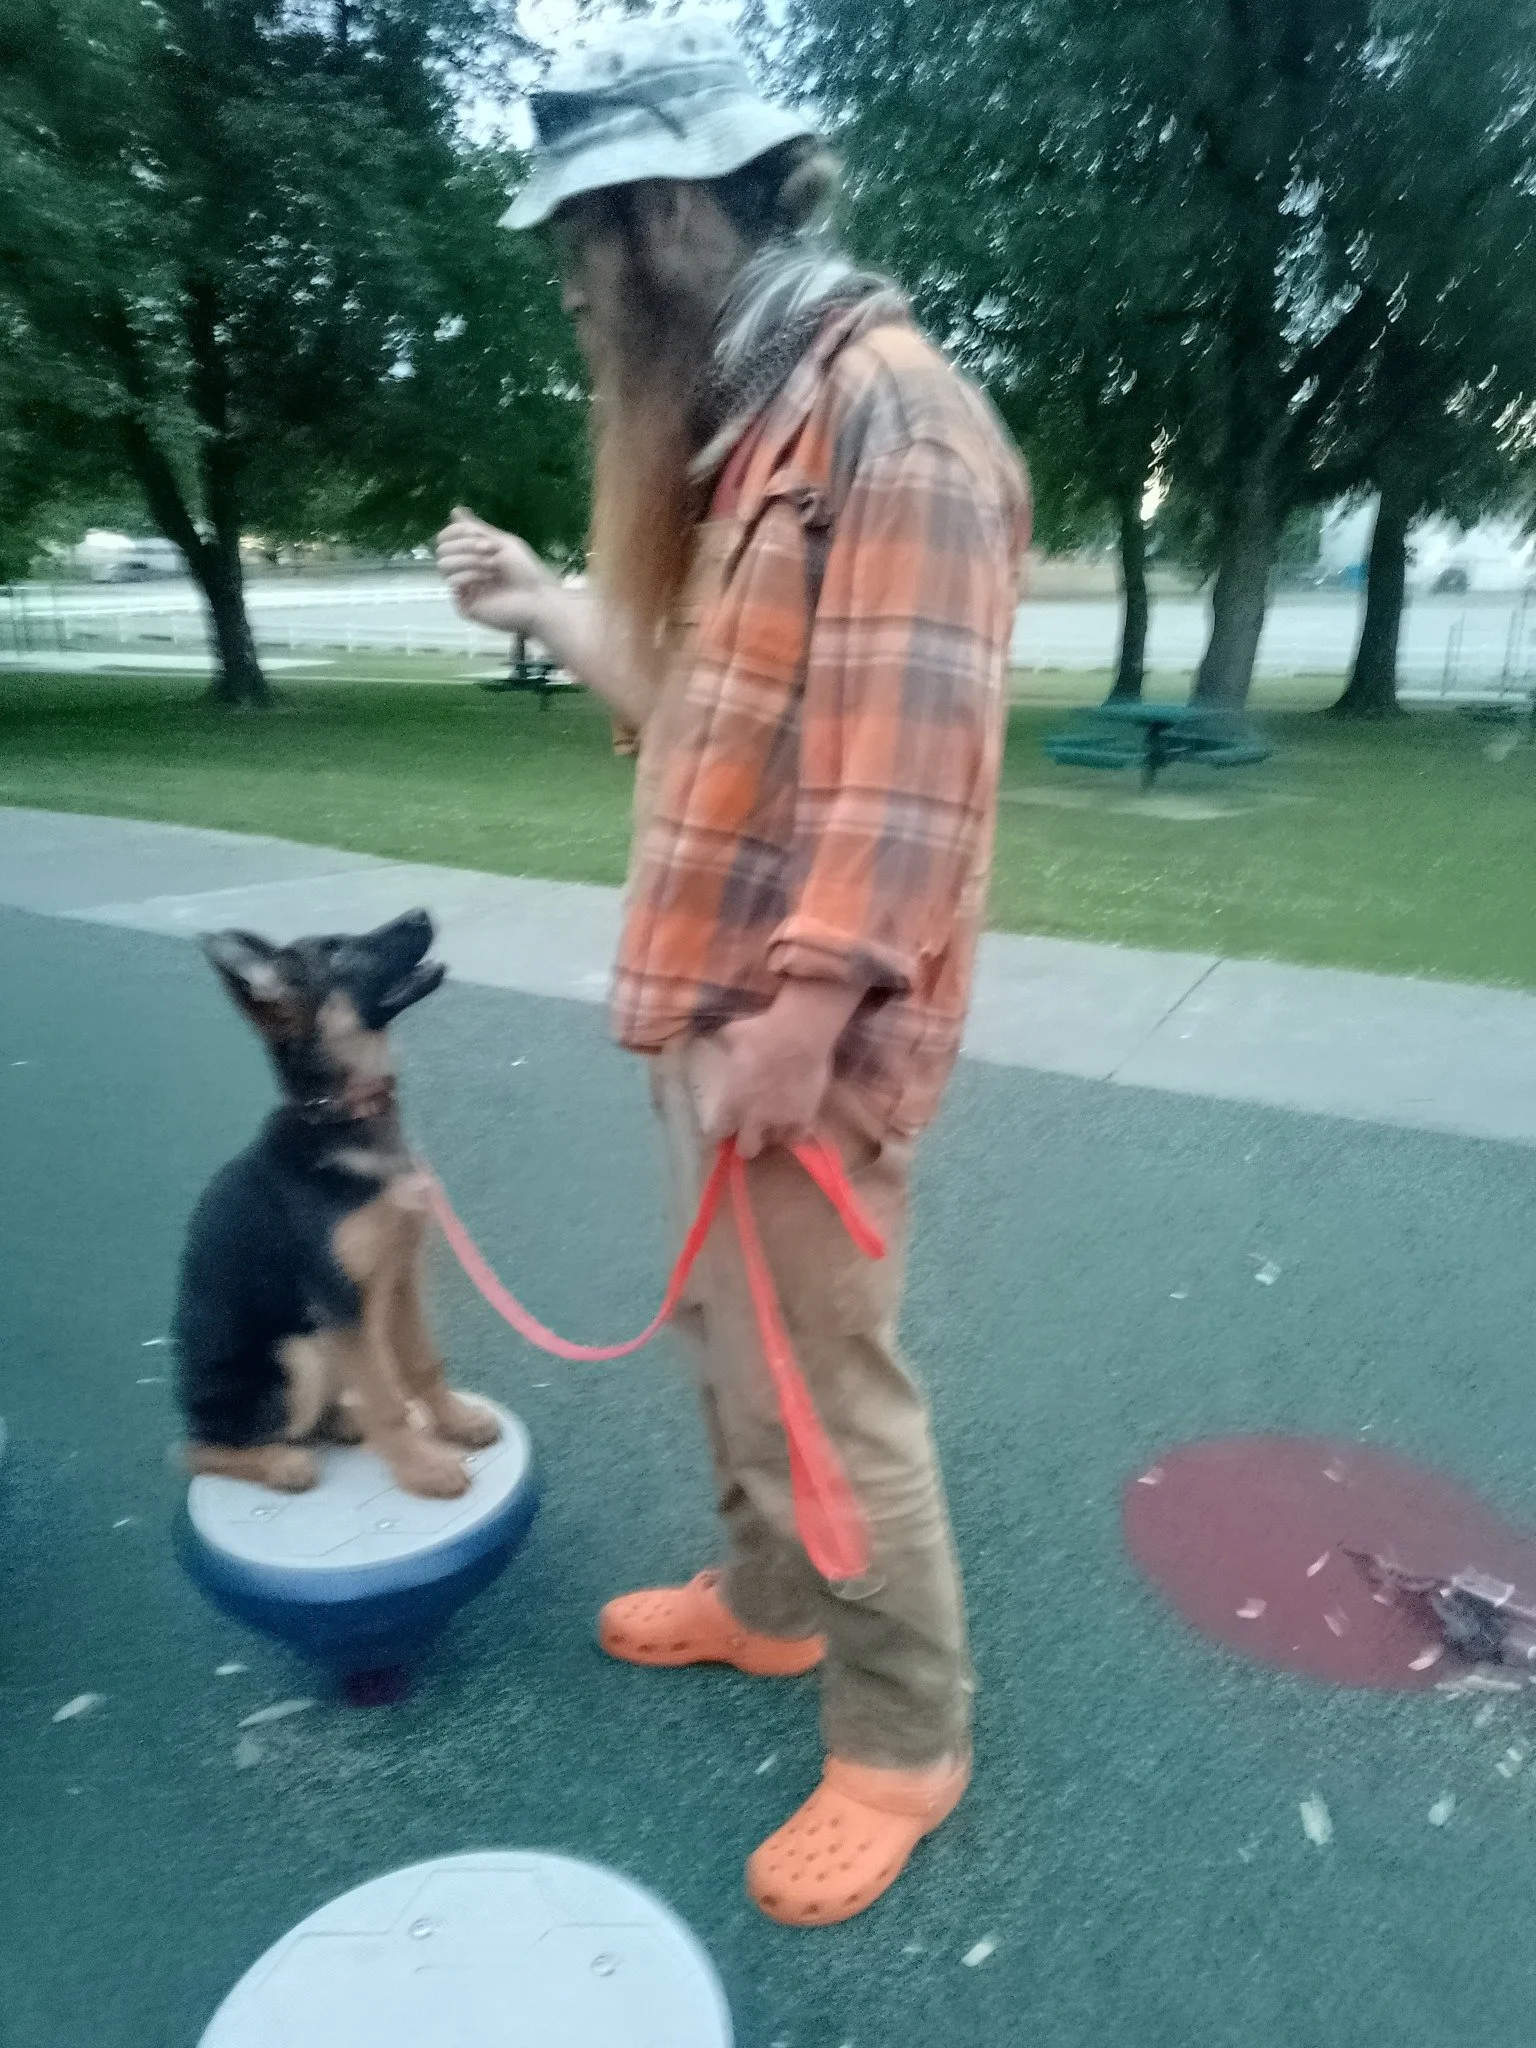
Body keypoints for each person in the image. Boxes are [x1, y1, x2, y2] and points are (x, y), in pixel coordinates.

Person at [437, 15, 1028, 1927]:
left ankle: (903, 1737)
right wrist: (544, 600)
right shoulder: (757, 423)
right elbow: (704, 723)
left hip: (803, 1041)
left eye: (582, 248)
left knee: (832, 1396)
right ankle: (773, 1610)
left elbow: (907, 778)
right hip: (716, 1020)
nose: (575, 290)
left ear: (663, 221)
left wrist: (795, 1020)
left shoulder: (892, 415)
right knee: (734, 1358)